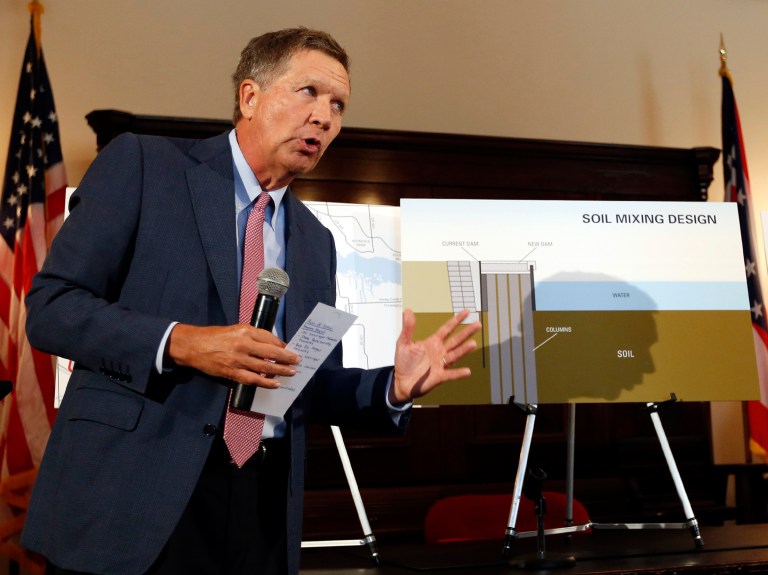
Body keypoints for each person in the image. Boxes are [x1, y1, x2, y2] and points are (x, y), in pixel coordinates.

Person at [20, 27, 481, 575]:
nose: (325, 118)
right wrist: (182, 343)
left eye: (338, 105)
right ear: (249, 97)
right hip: (133, 494)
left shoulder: (315, 240)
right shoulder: (146, 167)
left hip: (260, 503)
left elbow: (301, 379)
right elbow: (52, 307)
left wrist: (392, 385)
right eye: (308, 92)